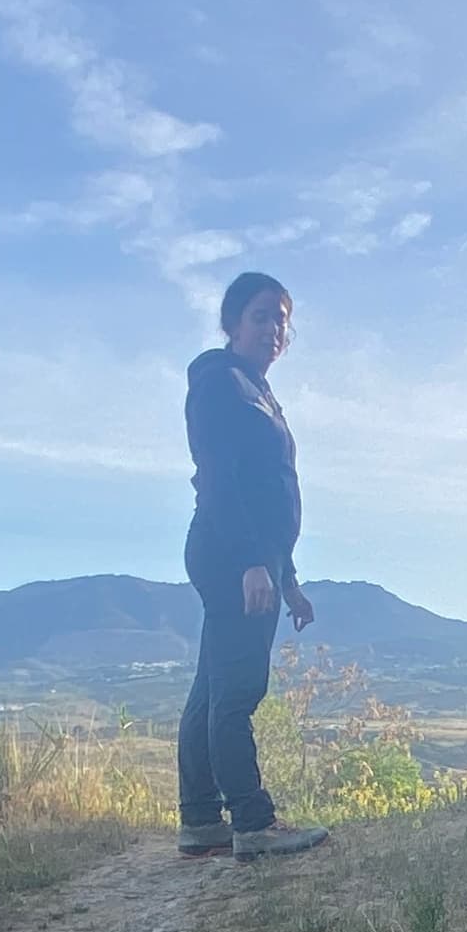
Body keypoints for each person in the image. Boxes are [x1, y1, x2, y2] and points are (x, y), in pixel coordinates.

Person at [178, 271, 329, 858]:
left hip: (252, 556)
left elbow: (269, 496)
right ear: (232, 324)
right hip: (229, 553)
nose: (275, 329)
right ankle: (252, 823)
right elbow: (220, 480)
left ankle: (200, 820)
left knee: (212, 689)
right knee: (238, 689)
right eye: (263, 316)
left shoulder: (254, 390)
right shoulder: (221, 385)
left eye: (282, 319)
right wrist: (250, 563)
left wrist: (286, 577)